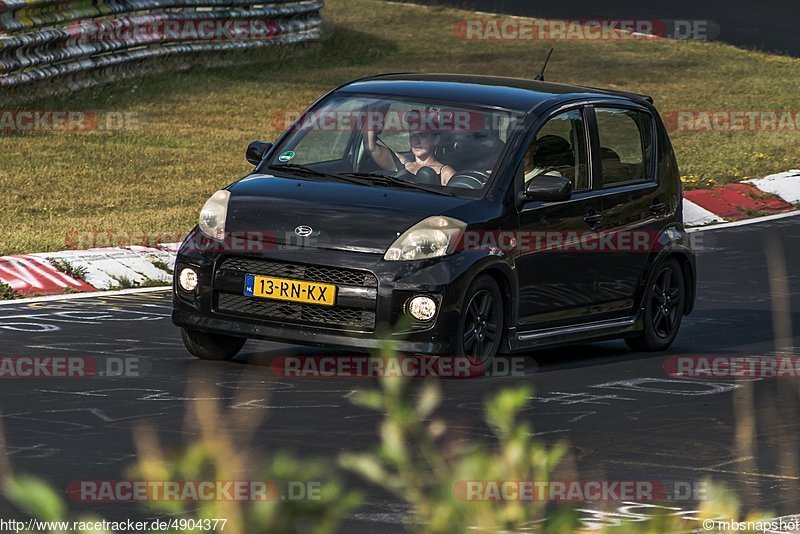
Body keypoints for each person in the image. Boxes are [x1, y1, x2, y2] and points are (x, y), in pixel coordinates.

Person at [364, 114, 456, 186]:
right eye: (412, 135)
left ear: (436, 140)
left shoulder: (446, 172)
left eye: (422, 135)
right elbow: (371, 146)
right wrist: (374, 115)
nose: (416, 141)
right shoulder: (401, 164)